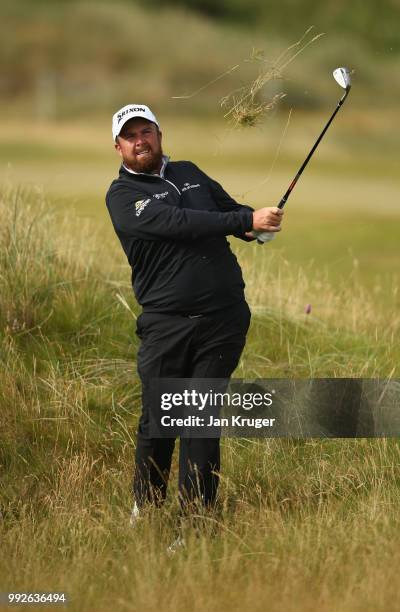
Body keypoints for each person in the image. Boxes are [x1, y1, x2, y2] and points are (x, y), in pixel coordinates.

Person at [105, 104, 283, 523]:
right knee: (160, 419)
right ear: (118, 147)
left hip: (223, 320)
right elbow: (177, 222)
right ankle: (146, 510)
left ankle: (196, 520)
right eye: (130, 136)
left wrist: (258, 225)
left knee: (201, 419)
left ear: (159, 133)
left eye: (145, 131)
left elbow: (228, 213)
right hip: (167, 325)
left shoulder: (189, 172)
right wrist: (240, 218)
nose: (139, 141)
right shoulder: (123, 196)